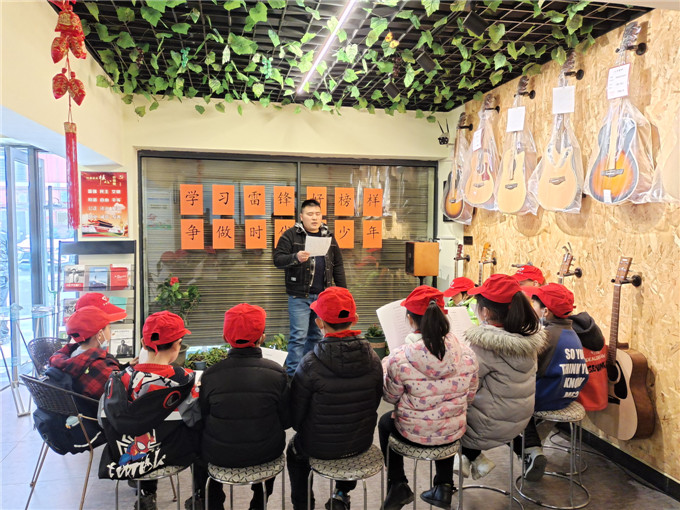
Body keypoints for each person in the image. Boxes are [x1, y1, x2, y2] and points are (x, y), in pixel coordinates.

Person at [380, 286, 479, 510]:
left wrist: (387, 368)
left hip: (412, 433)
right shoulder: (467, 353)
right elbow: (470, 396)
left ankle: (397, 484)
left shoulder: (399, 357)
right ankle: (444, 485)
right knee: (445, 421)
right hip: (453, 433)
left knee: (385, 422)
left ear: (410, 319)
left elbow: (390, 396)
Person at [287, 287, 382, 510]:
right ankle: (341, 493)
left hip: (318, 447)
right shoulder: (374, 358)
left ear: (319, 322)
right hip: (360, 443)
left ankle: (303, 505)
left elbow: (295, 418)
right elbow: (375, 402)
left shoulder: (309, 363)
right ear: (355, 319)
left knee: (294, 452)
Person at [190, 304, 289, 510]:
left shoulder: (210, 375)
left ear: (225, 338)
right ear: (262, 337)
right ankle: (259, 503)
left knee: (198, 452)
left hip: (219, 455)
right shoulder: (277, 373)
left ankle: (213, 503)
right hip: (266, 453)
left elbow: (203, 416)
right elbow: (287, 419)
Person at [98, 311, 200, 510]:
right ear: (177, 345)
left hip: (129, 456)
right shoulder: (185, 379)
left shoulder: (119, 379)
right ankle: (200, 496)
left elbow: (103, 420)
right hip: (171, 455)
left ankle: (147, 493)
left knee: (144, 433)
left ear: (143, 344)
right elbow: (193, 418)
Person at [455, 274, 545, 481]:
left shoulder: (484, 345)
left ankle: (466, 459)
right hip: (520, 421)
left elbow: (466, 388)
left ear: (485, 312)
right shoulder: (530, 339)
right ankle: (523, 450)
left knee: (442, 410)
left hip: (488, 427)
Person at [515, 284, 588, 480]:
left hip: (549, 396)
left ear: (545, 311)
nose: (532, 309)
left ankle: (530, 450)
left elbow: (526, 368)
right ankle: (533, 447)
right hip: (568, 395)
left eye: (534, 305)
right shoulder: (572, 333)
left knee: (510, 401)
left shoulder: (546, 336)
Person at [273, 199, 347, 377]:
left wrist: (343, 293)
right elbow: (277, 260)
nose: (314, 218)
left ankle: (310, 372)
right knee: (298, 337)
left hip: (323, 297)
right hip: (299, 296)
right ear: (301, 216)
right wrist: (295, 257)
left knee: (317, 336)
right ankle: (293, 376)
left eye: (317, 214)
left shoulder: (328, 235)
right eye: (310, 214)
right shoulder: (290, 235)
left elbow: (337, 265)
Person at [48, 305, 123, 399]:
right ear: (100, 334)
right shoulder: (103, 368)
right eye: (109, 328)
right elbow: (120, 398)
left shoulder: (70, 355)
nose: (111, 332)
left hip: (79, 406)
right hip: (97, 408)